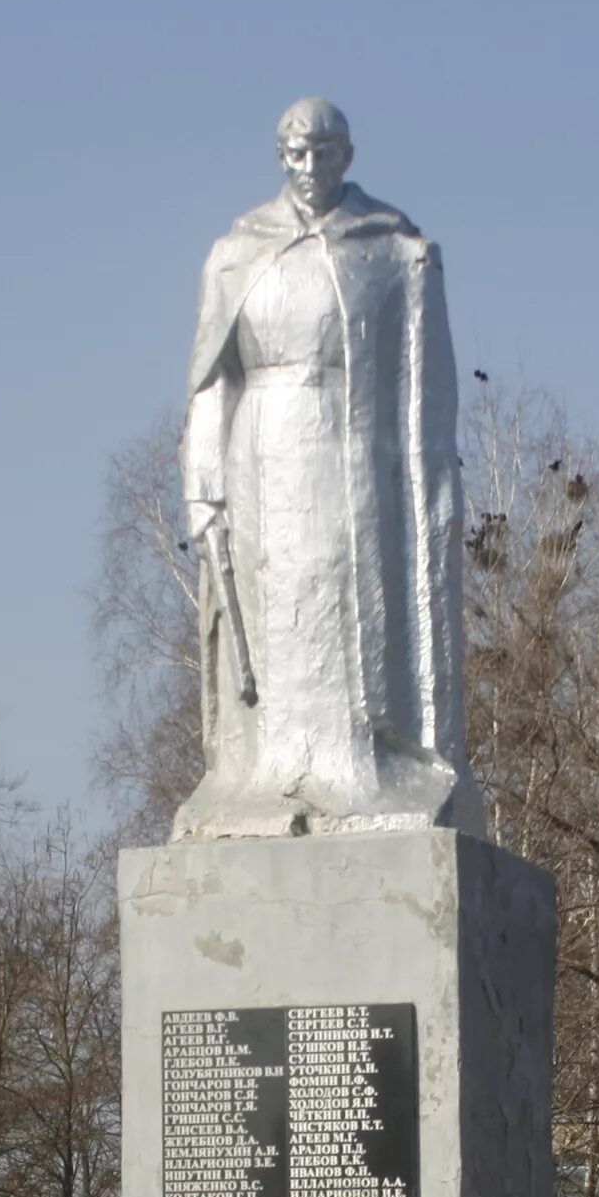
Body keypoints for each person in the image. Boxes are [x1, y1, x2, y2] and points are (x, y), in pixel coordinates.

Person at [178, 98, 479, 840]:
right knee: (270, 606)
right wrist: (204, 488)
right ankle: (263, 777)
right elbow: (212, 384)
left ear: (347, 155)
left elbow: (425, 393)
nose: (309, 168)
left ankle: (367, 768)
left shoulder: (390, 247)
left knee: (349, 608)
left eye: (324, 152)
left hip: (351, 454)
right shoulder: (238, 250)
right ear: (280, 157)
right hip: (260, 457)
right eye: (296, 153)